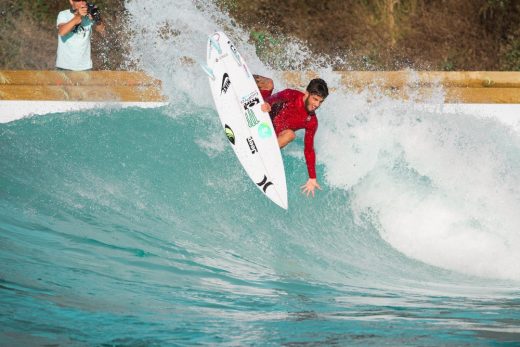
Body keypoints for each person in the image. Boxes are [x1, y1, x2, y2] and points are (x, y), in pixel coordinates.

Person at [255, 75, 329, 197]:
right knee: (268, 83)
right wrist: (268, 103)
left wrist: (312, 177)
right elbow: (276, 97)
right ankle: (237, 75)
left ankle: (262, 153)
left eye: (320, 101)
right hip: (263, 113)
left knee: (290, 134)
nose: (317, 104)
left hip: (270, 135)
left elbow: (309, 149)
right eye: (315, 99)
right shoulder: (293, 95)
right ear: (307, 94)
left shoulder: (311, 121)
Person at [56, 0, 105, 71]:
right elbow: (62, 32)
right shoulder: (64, 14)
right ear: (71, 1)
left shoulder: (89, 15)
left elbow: (102, 32)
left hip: (85, 67)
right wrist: (78, 16)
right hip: (64, 67)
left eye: (84, 0)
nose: (82, 3)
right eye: (78, 0)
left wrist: (97, 19)